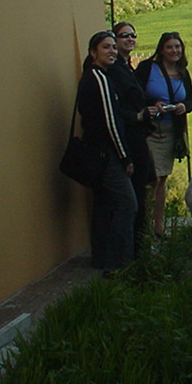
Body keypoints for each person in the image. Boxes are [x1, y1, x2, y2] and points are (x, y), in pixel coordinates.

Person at [77, 30, 137, 275]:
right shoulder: (99, 78)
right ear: (93, 53)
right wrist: (125, 157)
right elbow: (111, 122)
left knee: (103, 205)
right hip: (107, 153)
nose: (112, 51)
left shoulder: (91, 77)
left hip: (96, 153)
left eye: (114, 47)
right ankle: (119, 263)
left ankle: (101, 259)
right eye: (106, 47)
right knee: (127, 205)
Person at [135, 31, 192, 238]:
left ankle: (157, 225)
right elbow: (134, 95)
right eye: (170, 47)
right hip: (150, 130)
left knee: (162, 178)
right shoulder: (146, 69)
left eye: (177, 47)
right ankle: (145, 224)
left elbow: (191, 101)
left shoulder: (183, 73)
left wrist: (182, 107)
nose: (174, 51)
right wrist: (152, 105)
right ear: (161, 49)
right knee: (153, 177)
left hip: (171, 131)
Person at [108, 21, 158, 250]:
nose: (129, 39)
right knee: (134, 195)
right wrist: (137, 116)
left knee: (144, 185)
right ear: (114, 40)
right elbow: (115, 108)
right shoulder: (114, 70)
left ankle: (139, 243)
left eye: (133, 35)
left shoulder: (127, 66)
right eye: (123, 36)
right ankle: (135, 249)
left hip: (137, 136)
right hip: (128, 137)